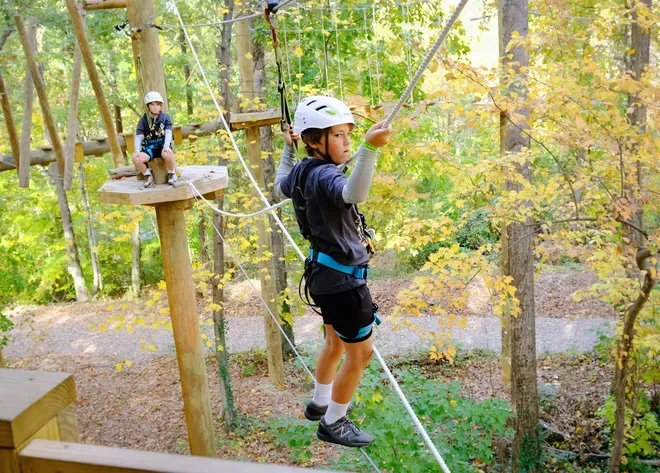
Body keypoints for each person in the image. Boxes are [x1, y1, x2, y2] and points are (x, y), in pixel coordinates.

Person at [273, 96, 392, 447]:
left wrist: (287, 150)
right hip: (343, 282)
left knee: (334, 343)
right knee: (361, 354)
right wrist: (370, 149)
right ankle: (333, 421)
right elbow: (355, 193)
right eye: (338, 135)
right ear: (315, 140)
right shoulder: (326, 174)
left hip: (324, 276)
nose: (347, 143)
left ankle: (320, 400)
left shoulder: (302, 170)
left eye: (349, 136)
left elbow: (279, 182)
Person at [132, 91, 176, 188]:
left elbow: (168, 132)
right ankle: (148, 176)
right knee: (136, 158)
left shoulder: (165, 118)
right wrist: (137, 151)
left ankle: (172, 173)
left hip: (162, 146)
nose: (155, 107)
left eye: (157, 104)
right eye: (152, 104)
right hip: (149, 148)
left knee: (168, 153)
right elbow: (138, 136)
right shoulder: (143, 121)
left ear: (161, 106)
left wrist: (166, 146)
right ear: (148, 106)